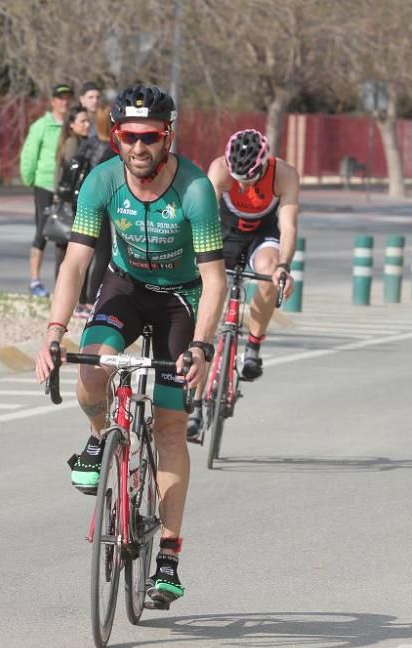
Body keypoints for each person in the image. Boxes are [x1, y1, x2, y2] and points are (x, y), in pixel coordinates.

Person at [34, 84, 226, 609]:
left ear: (168, 136)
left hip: (179, 301)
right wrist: (53, 332)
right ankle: (100, 438)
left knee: (168, 426)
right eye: (127, 136)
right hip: (125, 286)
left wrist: (203, 348)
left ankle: (167, 554)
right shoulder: (101, 181)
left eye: (149, 136)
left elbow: (215, 280)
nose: (138, 147)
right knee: (92, 368)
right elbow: (75, 263)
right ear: (114, 135)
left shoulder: (194, 190)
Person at [187, 129, 299, 439]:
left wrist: (284, 268)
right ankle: (195, 406)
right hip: (224, 233)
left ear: (264, 165)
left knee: (268, 270)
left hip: (263, 237)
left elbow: (288, 226)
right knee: (206, 318)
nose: (244, 185)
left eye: (249, 179)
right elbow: (200, 217)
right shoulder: (219, 169)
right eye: (239, 178)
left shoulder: (284, 174)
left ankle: (253, 346)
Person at [20, 83, 74, 297]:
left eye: (68, 98)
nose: (64, 102)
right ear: (53, 101)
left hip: (65, 185)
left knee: (65, 233)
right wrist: (30, 178)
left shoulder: (72, 125)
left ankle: (62, 283)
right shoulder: (41, 126)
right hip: (45, 183)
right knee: (42, 230)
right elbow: (29, 154)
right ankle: (34, 280)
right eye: (60, 98)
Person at [74, 102, 115, 310]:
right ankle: (91, 299)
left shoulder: (88, 144)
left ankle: (80, 299)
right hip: (100, 204)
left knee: (82, 253)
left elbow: (75, 167)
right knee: (102, 252)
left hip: (84, 200)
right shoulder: (113, 148)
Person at [50, 104, 91, 288]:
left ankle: (66, 292)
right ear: (72, 124)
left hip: (69, 201)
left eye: (88, 121)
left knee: (67, 250)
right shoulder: (73, 143)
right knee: (68, 250)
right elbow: (69, 175)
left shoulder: (78, 141)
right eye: (82, 121)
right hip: (69, 203)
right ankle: (66, 293)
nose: (87, 124)